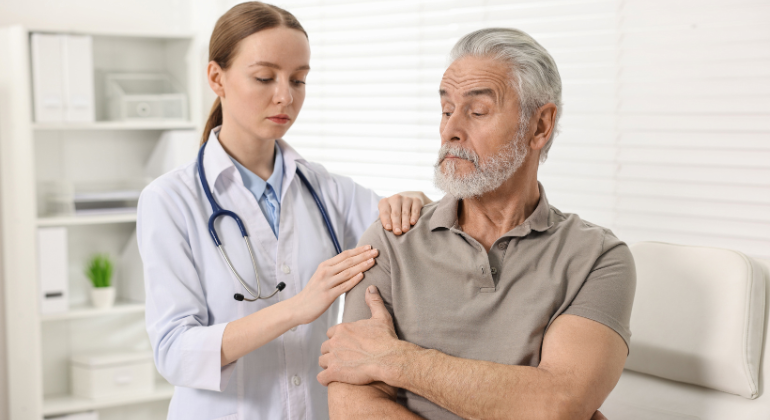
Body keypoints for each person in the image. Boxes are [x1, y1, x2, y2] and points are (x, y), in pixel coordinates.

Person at [319, 28, 635, 420]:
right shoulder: (393, 239)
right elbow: (352, 406)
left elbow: (558, 403)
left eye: (477, 111)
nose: (450, 130)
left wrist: (395, 360)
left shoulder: (597, 258)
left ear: (540, 126)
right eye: (446, 109)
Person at [137, 3, 430, 419]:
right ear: (216, 78)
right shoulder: (170, 200)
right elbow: (174, 352)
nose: (285, 96)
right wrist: (297, 307)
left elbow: (410, 231)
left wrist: (415, 199)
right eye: (264, 77)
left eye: (299, 80)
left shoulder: (327, 190)